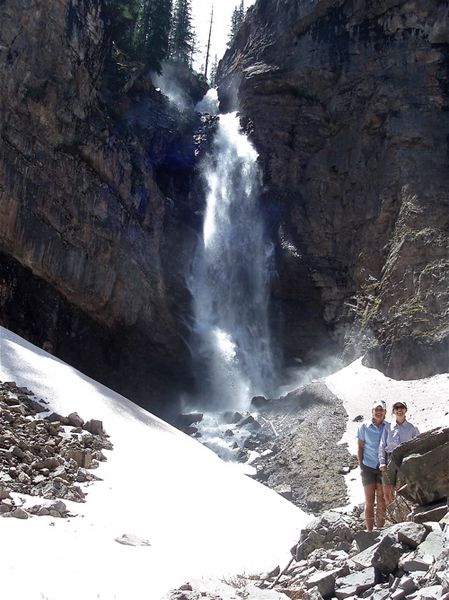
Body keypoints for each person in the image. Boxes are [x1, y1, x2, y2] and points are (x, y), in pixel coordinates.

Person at [379, 401, 420, 506]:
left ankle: (402, 514)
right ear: (393, 411)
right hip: (389, 459)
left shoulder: (412, 428)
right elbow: (382, 445)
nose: (399, 409)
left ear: (405, 410)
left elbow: (418, 446)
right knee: (387, 489)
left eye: (401, 407)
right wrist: (382, 462)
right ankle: (391, 513)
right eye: (396, 408)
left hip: (404, 460)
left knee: (400, 487)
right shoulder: (388, 427)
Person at [356, 400, 388, 531]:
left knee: (381, 499)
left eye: (381, 410)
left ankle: (379, 530)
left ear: (385, 412)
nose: (379, 412)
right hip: (368, 467)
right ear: (372, 411)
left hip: (383, 467)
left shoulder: (388, 427)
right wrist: (361, 465)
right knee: (369, 500)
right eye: (376, 409)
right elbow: (360, 447)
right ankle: (369, 532)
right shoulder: (364, 427)